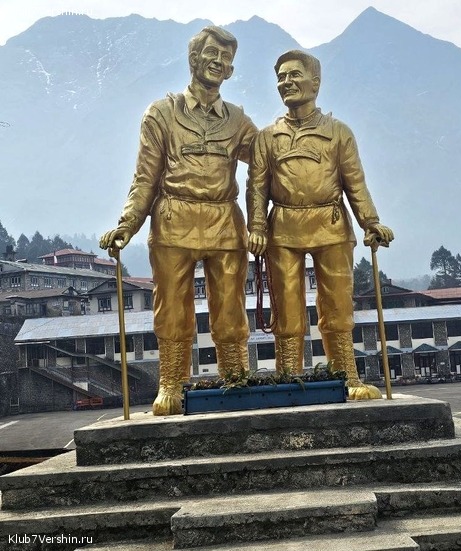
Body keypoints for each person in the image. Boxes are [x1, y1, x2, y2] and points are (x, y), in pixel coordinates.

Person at [99, 26, 257, 416]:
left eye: (226, 57)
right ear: (193, 58)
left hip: (224, 222)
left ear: (231, 70)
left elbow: (268, 163)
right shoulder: (161, 114)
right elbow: (145, 178)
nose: (219, 61)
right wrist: (127, 224)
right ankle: (171, 382)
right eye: (212, 53)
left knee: (231, 309)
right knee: (171, 309)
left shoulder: (238, 121)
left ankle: (236, 380)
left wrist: (265, 220)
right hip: (173, 220)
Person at [246, 50, 394, 400]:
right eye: (281, 77)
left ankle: (346, 376)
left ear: (315, 83)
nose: (286, 82)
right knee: (287, 308)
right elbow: (257, 187)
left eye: (294, 75)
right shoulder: (266, 137)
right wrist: (257, 227)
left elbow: (355, 182)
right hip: (283, 227)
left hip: (331, 224)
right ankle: (288, 378)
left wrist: (370, 221)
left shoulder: (338, 132)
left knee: (337, 305)